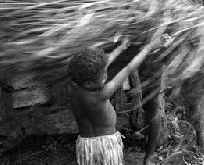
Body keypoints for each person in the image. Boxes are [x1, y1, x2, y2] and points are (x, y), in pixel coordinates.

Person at [68, 26, 168, 165]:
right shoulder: (103, 93)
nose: (106, 75)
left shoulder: (74, 87)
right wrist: (149, 46)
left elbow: (102, 64)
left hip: (86, 145)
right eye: (103, 76)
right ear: (90, 83)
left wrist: (120, 48)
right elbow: (129, 68)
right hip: (105, 146)